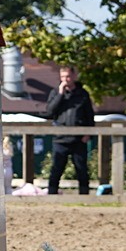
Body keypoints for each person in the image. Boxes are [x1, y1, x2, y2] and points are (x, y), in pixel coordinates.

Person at [43, 65, 95, 195]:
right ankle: (52, 195)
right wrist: (60, 94)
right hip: (60, 138)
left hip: (78, 138)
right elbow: (49, 111)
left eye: (68, 76)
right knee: (56, 169)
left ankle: (84, 197)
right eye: (62, 77)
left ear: (74, 76)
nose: (65, 79)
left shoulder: (82, 94)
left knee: (81, 169)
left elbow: (89, 115)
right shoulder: (55, 92)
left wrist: (88, 133)